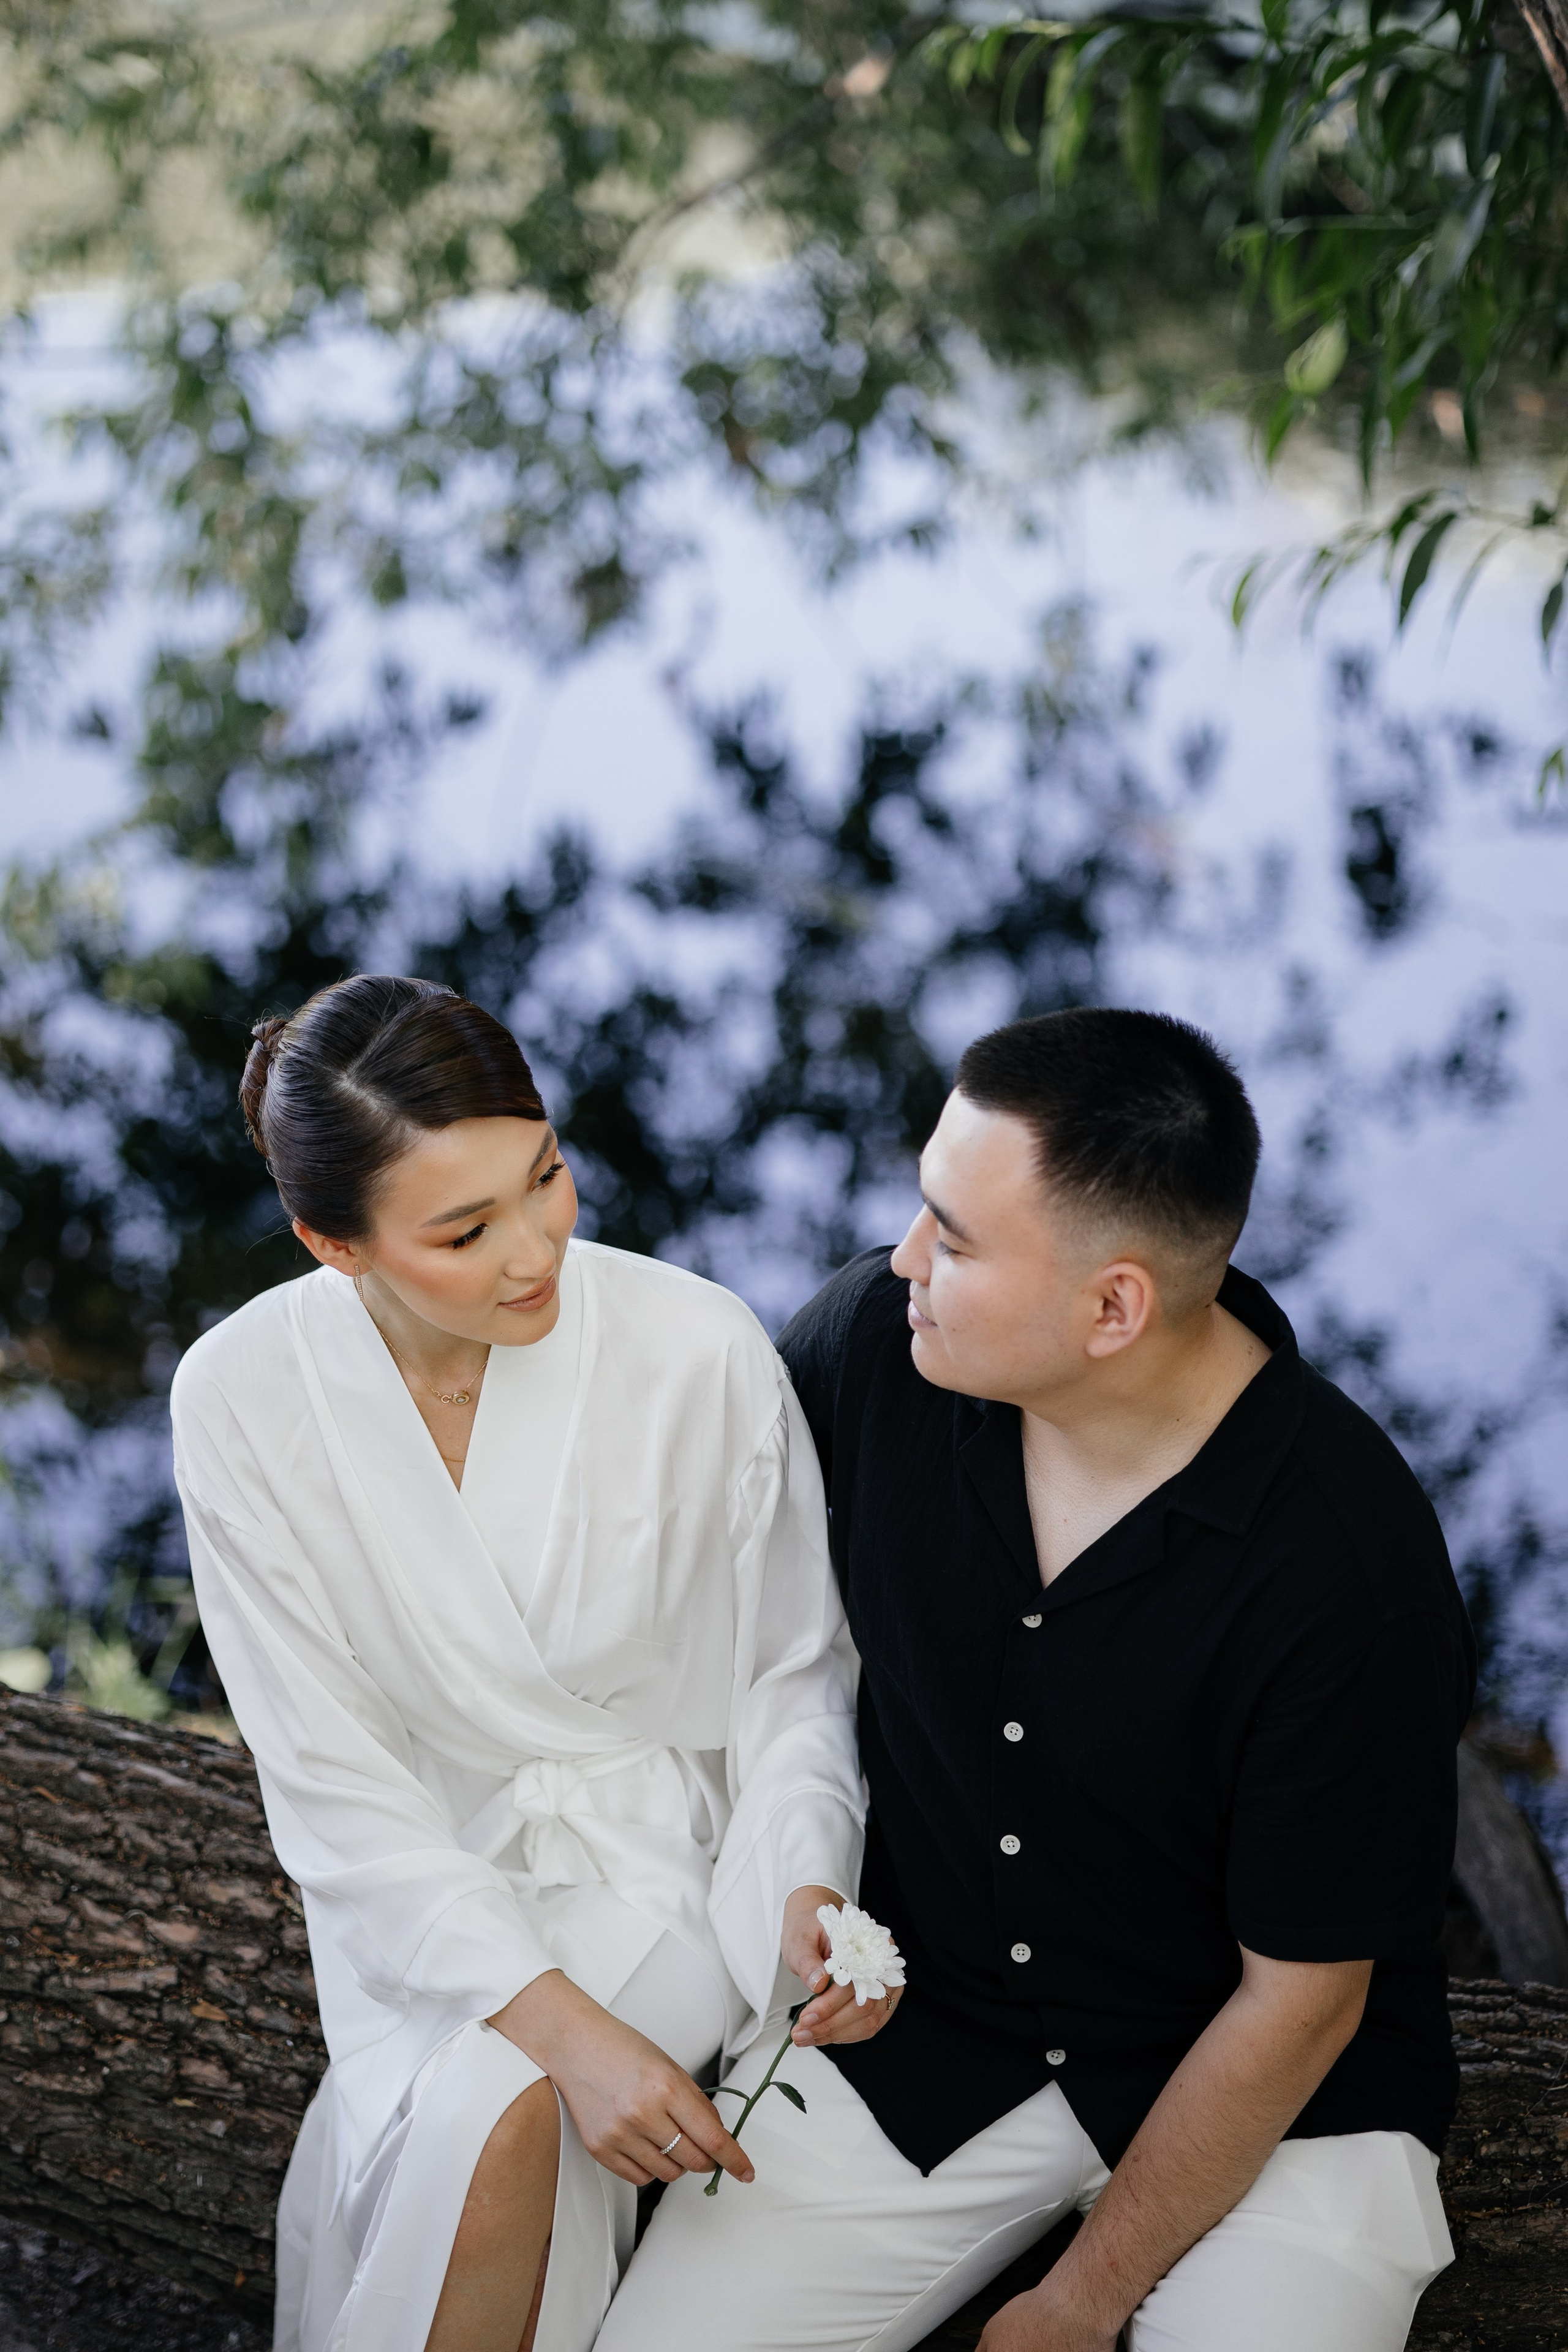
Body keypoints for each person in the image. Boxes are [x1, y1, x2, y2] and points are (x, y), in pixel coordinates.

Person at [601, 1007, 1472, 2352]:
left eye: (952, 1242)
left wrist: (1076, 2305)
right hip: (922, 2028)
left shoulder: (1351, 1578)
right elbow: (729, 1629)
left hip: (1278, 2104)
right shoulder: (874, 1348)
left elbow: (1300, 2006)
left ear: (1113, 1306)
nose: (902, 1257)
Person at [170, 974, 897, 2352]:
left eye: (547, 1175)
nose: (536, 1249)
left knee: (484, 2106)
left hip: (660, 1864)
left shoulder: (697, 1347)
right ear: (333, 1244)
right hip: (414, 1879)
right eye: (465, 1231)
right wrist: (568, 2034)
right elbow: (327, 1775)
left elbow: (791, 1678)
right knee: (501, 2094)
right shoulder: (239, 1396)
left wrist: (806, 1881)